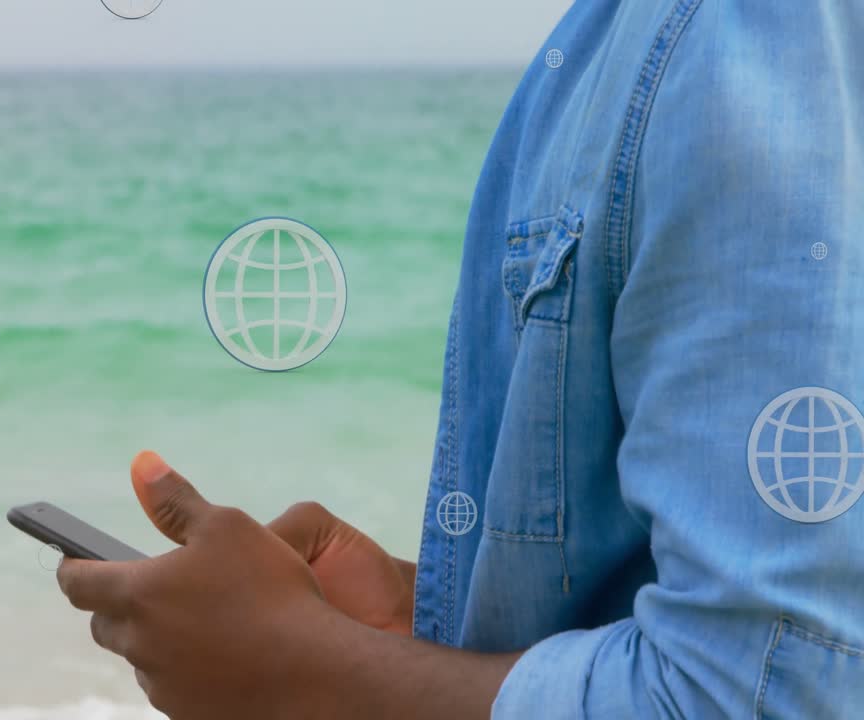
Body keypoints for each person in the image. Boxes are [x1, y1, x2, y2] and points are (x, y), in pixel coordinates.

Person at [55, 1, 864, 717]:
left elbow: (765, 695)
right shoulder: (638, 35)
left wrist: (305, 671)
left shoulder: (744, 24)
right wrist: (417, 619)